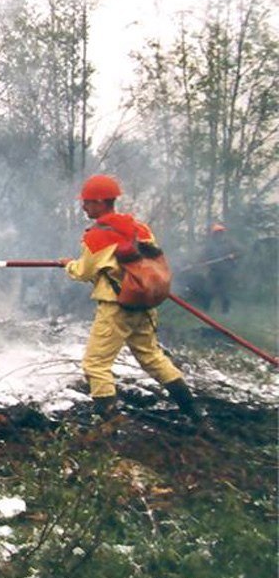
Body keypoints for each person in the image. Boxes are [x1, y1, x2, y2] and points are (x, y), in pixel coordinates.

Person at [64, 175, 201, 426]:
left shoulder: (97, 236)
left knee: (96, 364)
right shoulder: (141, 229)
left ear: (100, 202)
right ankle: (193, 411)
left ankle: (109, 424)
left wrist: (68, 265)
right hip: (144, 304)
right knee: (153, 357)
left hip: (116, 307)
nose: (83, 207)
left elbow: (84, 272)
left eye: (86, 202)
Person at [200, 223, 240, 313]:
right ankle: (205, 310)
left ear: (223, 233)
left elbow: (241, 251)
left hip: (226, 271)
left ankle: (226, 311)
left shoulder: (230, 242)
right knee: (207, 289)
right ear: (214, 234)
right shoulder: (210, 245)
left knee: (224, 291)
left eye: (220, 232)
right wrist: (203, 261)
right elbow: (204, 256)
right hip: (213, 271)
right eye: (216, 233)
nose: (219, 234)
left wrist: (233, 255)